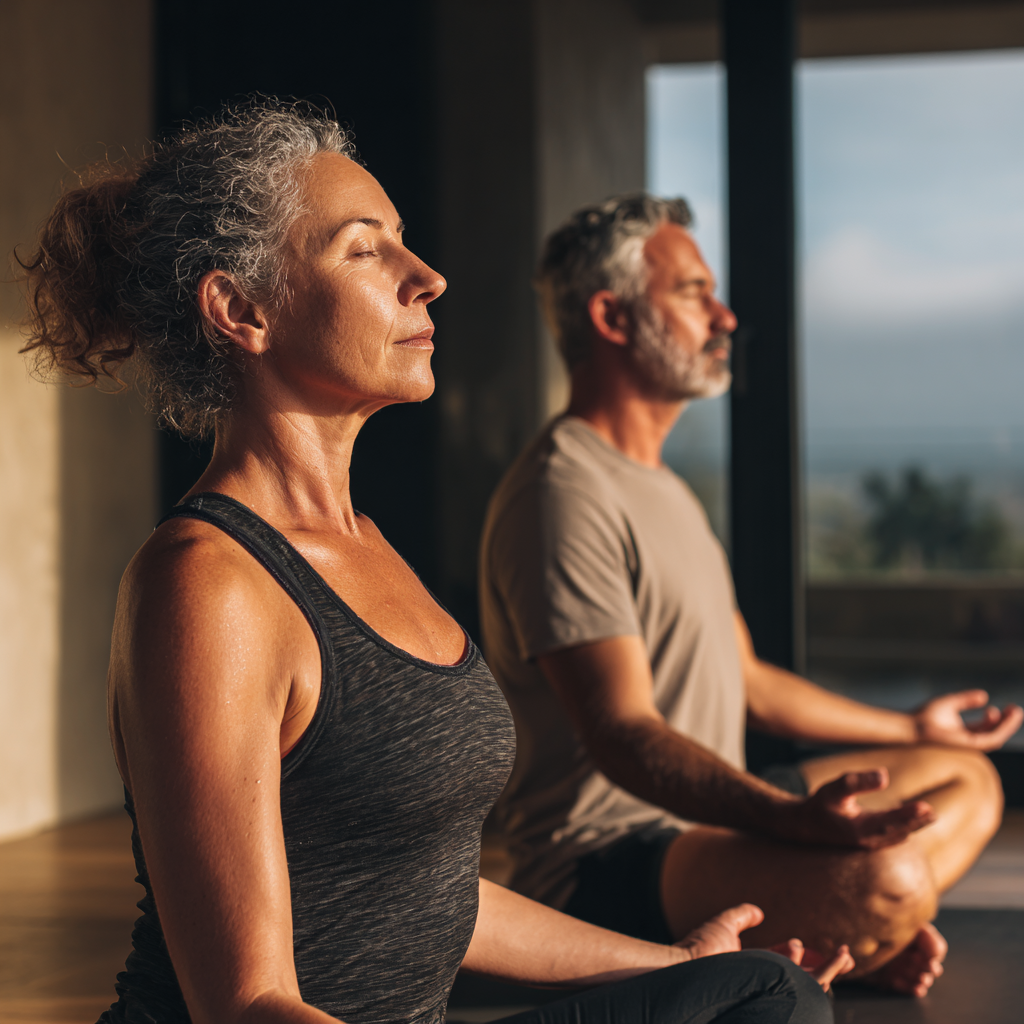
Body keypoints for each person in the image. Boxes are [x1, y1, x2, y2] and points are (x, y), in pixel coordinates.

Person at [16, 102, 850, 1024]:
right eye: (366, 249)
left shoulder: (367, 548)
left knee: (754, 990)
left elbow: (429, 900)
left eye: (404, 243)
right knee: (770, 1003)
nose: (429, 278)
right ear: (242, 310)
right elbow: (246, 1003)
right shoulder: (207, 584)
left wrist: (669, 962)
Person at [479, 193, 1024, 1000]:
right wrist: (787, 819)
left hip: (707, 823)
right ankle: (856, 928)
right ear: (613, 315)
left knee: (967, 778)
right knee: (892, 881)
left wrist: (911, 726)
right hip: (606, 857)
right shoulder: (564, 490)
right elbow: (622, 732)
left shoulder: (666, 491)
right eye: (695, 293)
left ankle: (838, 935)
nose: (725, 317)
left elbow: (752, 681)